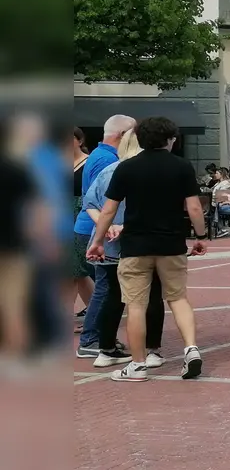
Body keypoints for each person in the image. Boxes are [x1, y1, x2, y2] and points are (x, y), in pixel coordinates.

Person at [85, 116, 207, 382]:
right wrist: (200, 236)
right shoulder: (182, 166)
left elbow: (109, 209)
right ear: (170, 140)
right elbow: (194, 207)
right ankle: (191, 349)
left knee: (135, 305)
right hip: (171, 244)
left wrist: (97, 241)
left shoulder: (126, 168)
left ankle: (138, 365)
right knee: (178, 298)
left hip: (135, 246)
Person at [81, 129, 166, 369]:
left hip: (108, 243)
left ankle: (105, 348)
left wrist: (105, 227)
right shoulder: (147, 172)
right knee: (150, 295)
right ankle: (152, 350)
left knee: (112, 296)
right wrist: (121, 226)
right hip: (140, 242)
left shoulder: (109, 170)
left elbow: (90, 203)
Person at [74, 115, 135, 334]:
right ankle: (93, 338)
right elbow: (102, 203)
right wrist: (108, 226)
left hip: (95, 229)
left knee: (104, 287)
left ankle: (97, 337)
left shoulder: (100, 155)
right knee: (107, 288)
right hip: (100, 231)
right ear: (123, 135)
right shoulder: (109, 161)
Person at [0, 121, 49, 364]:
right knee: (14, 302)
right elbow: (37, 210)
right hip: (13, 243)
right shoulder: (18, 169)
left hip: (13, 243)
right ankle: (15, 355)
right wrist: (43, 239)